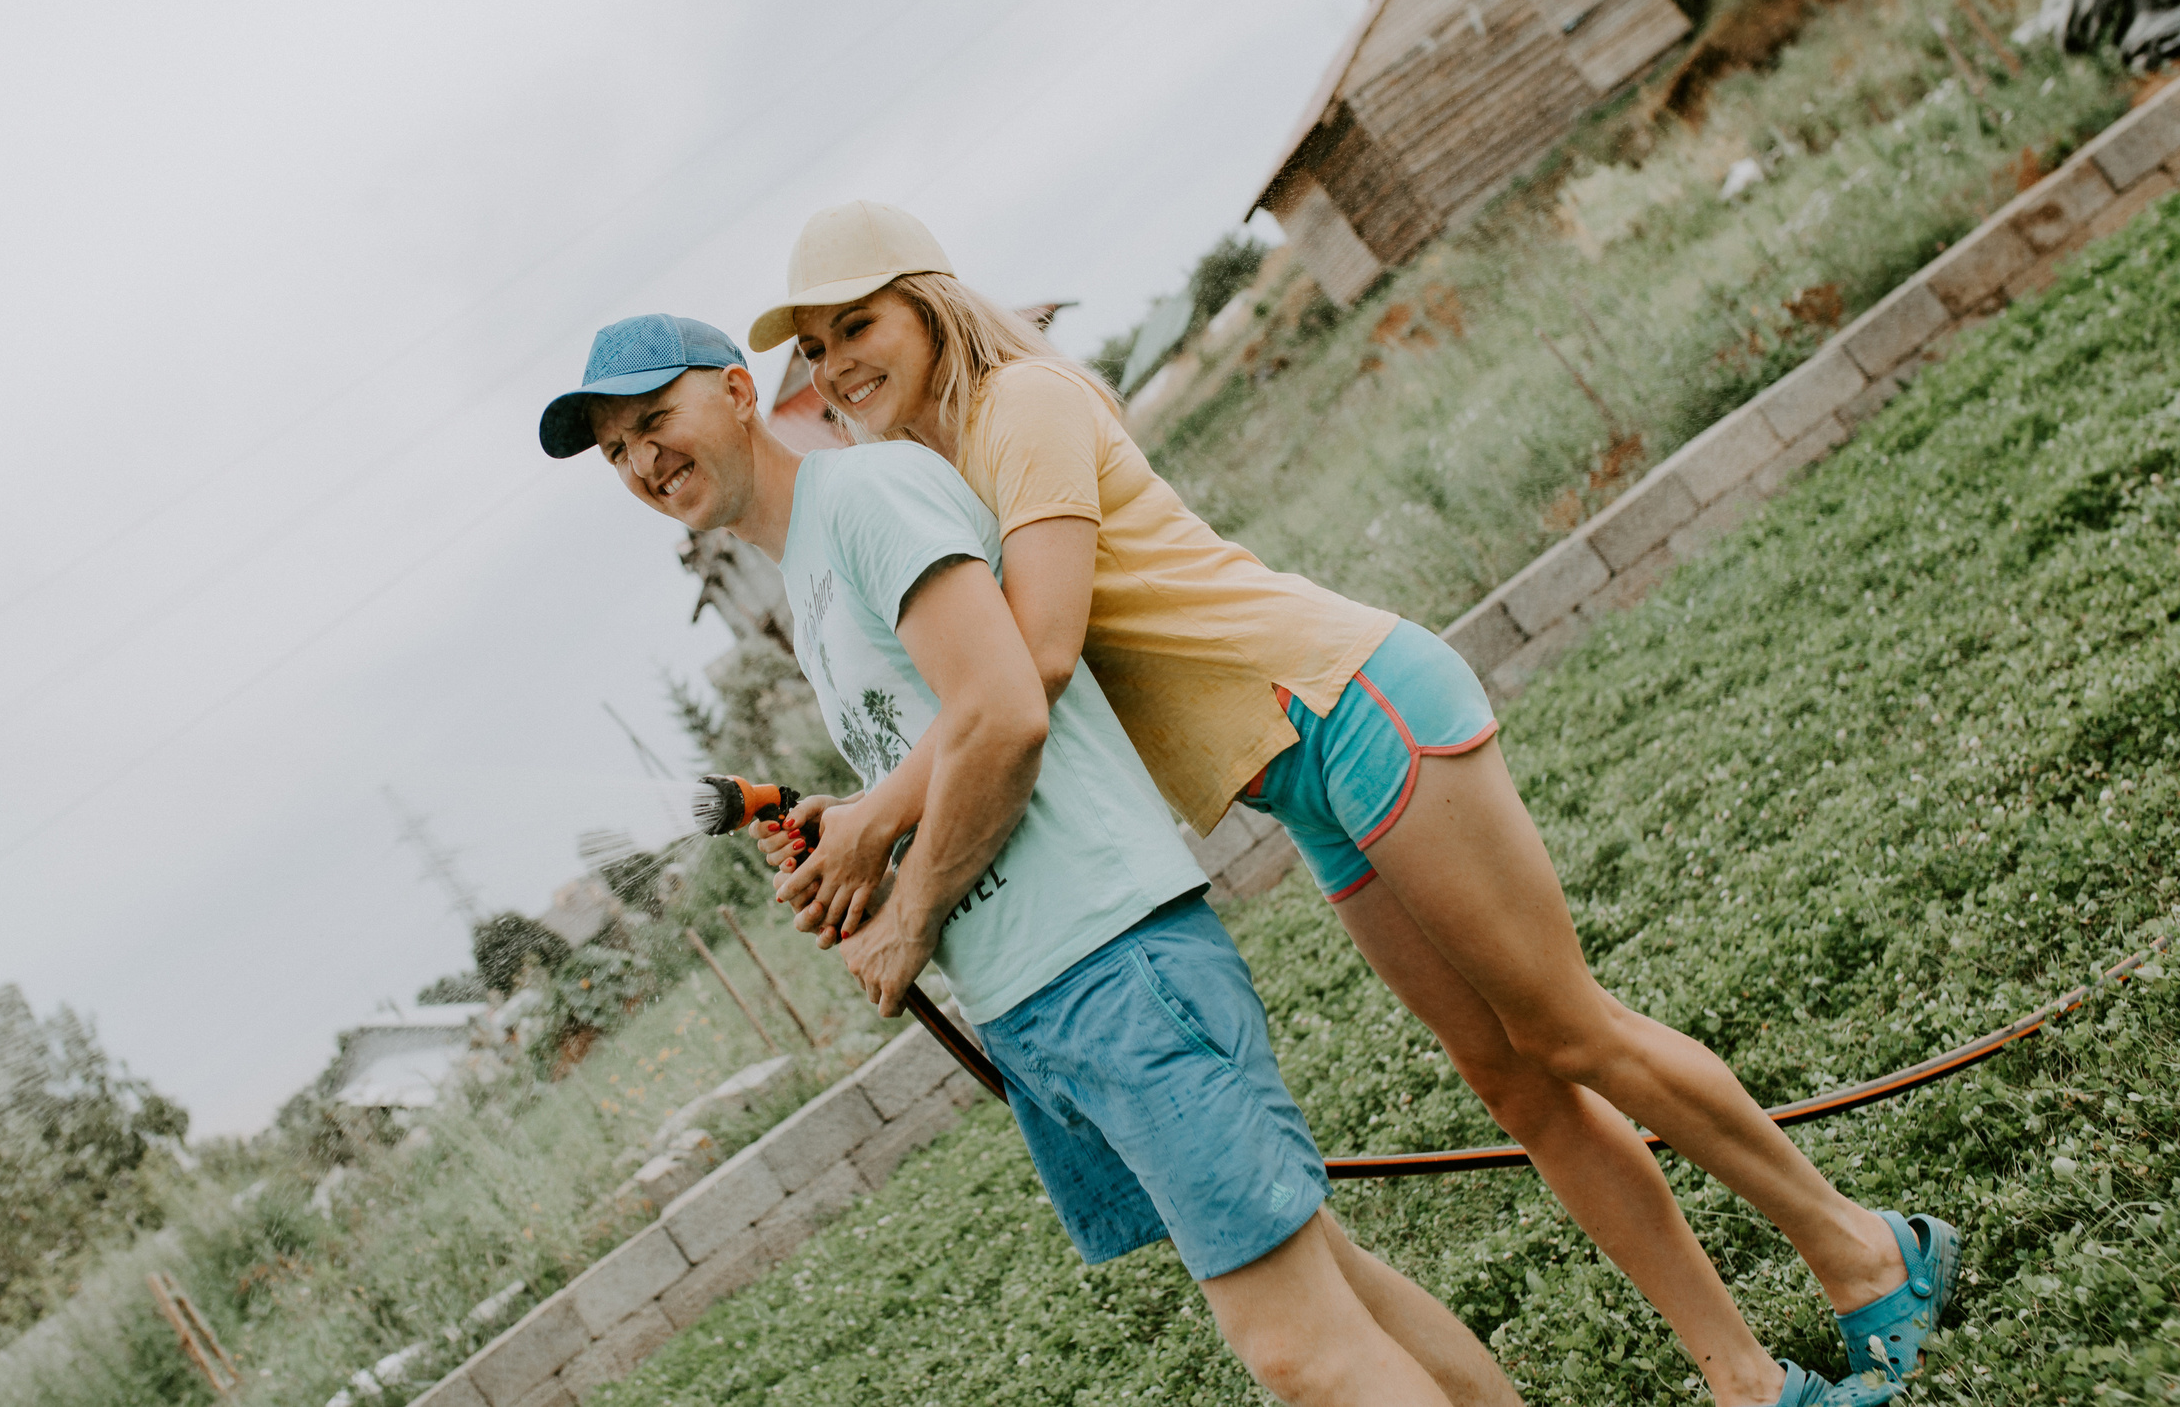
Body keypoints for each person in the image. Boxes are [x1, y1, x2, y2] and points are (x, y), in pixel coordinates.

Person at [745, 200, 1950, 1407]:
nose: (839, 362)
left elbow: (1038, 661)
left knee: (1572, 1032)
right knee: (1514, 1082)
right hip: (1295, 779)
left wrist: (883, 822)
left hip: (1346, 703)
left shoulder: (1025, 406)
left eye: (859, 323)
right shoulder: (936, 476)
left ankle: (1864, 1253)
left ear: (929, 304)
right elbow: (965, 692)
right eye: (815, 346)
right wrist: (865, 809)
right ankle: (1745, 1381)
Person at [539, 312, 1534, 1407]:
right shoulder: (809, 574)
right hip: (1038, 997)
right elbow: (950, 729)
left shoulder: (864, 499)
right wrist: (865, 820)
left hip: (1106, 963)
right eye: (616, 450)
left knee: (1295, 1351)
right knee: (1329, 1290)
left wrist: (910, 910)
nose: (641, 459)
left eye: (653, 419)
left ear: (735, 392)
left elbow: (1008, 708)